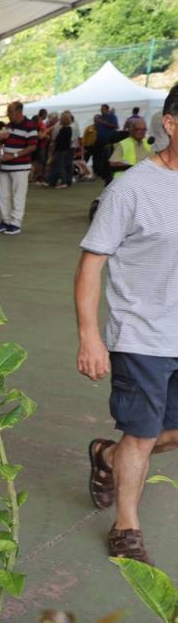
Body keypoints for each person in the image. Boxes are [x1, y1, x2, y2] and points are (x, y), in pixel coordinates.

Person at [76, 84, 178, 565]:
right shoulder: (132, 188)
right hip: (142, 333)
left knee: (166, 432)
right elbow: (92, 262)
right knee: (141, 432)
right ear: (171, 126)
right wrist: (90, 335)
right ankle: (127, 526)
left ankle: (108, 458)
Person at [0, 101, 37, 235]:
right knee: (2, 195)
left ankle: (16, 223)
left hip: (20, 167)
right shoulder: (7, 126)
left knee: (18, 195)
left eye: (10, 111)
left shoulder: (30, 126)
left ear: (19, 111)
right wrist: (0, 151)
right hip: (5, 166)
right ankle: (6, 221)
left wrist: (14, 155)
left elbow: (32, 146)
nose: (8, 114)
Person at [47, 110, 78, 188]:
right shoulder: (69, 128)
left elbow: (57, 139)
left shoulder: (64, 129)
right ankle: (52, 182)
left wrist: (53, 145)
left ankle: (63, 182)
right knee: (61, 165)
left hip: (60, 149)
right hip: (65, 149)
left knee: (60, 166)